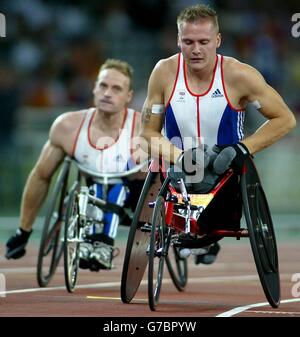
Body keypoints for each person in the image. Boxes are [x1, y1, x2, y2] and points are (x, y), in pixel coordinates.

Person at [139, 4, 296, 264]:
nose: (196, 49)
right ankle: (191, 229)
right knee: (184, 167)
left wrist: (243, 149)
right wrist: (181, 156)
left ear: (218, 40)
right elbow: (147, 133)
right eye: (188, 41)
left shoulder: (239, 75)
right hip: (182, 169)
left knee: (214, 172)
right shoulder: (164, 72)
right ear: (178, 40)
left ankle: (205, 235)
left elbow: (285, 119)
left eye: (204, 41)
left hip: (226, 172)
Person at [6, 58, 145, 271]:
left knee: (118, 188)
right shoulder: (68, 126)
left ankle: (103, 245)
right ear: (94, 89)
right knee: (96, 188)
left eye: (116, 88)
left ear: (128, 97)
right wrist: (23, 231)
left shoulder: (142, 129)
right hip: (89, 188)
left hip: (132, 193)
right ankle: (93, 243)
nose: (107, 93)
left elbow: (161, 180)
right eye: (103, 85)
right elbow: (41, 176)